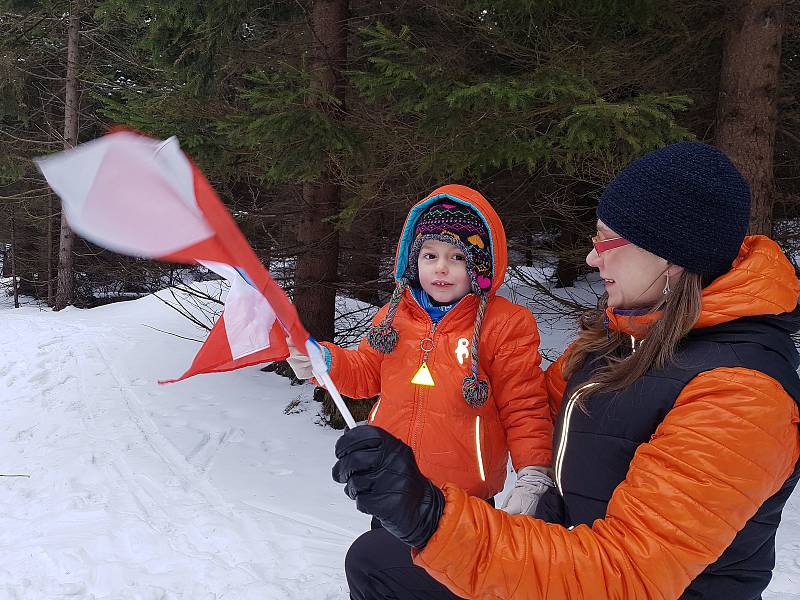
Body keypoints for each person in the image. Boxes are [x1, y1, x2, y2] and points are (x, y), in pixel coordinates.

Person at [332, 142, 800, 600]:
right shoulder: (620, 337)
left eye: (606, 239)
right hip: (561, 552)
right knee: (380, 561)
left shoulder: (740, 393)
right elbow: (524, 405)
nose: (593, 258)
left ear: (670, 256)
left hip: (609, 580)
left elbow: (627, 574)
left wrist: (431, 516)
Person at [286, 185, 555, 583]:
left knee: (451, 582)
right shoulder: (394, 316)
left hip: (466, 495)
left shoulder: (506, 325)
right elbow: (364, 374)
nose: (441, 268)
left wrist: (533, 472)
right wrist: (326, 362)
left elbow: (524, 405)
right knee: (388, 572)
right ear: (414, 261)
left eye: (457, 257)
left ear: (479, 265)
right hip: (393, 484)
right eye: (430, 256)